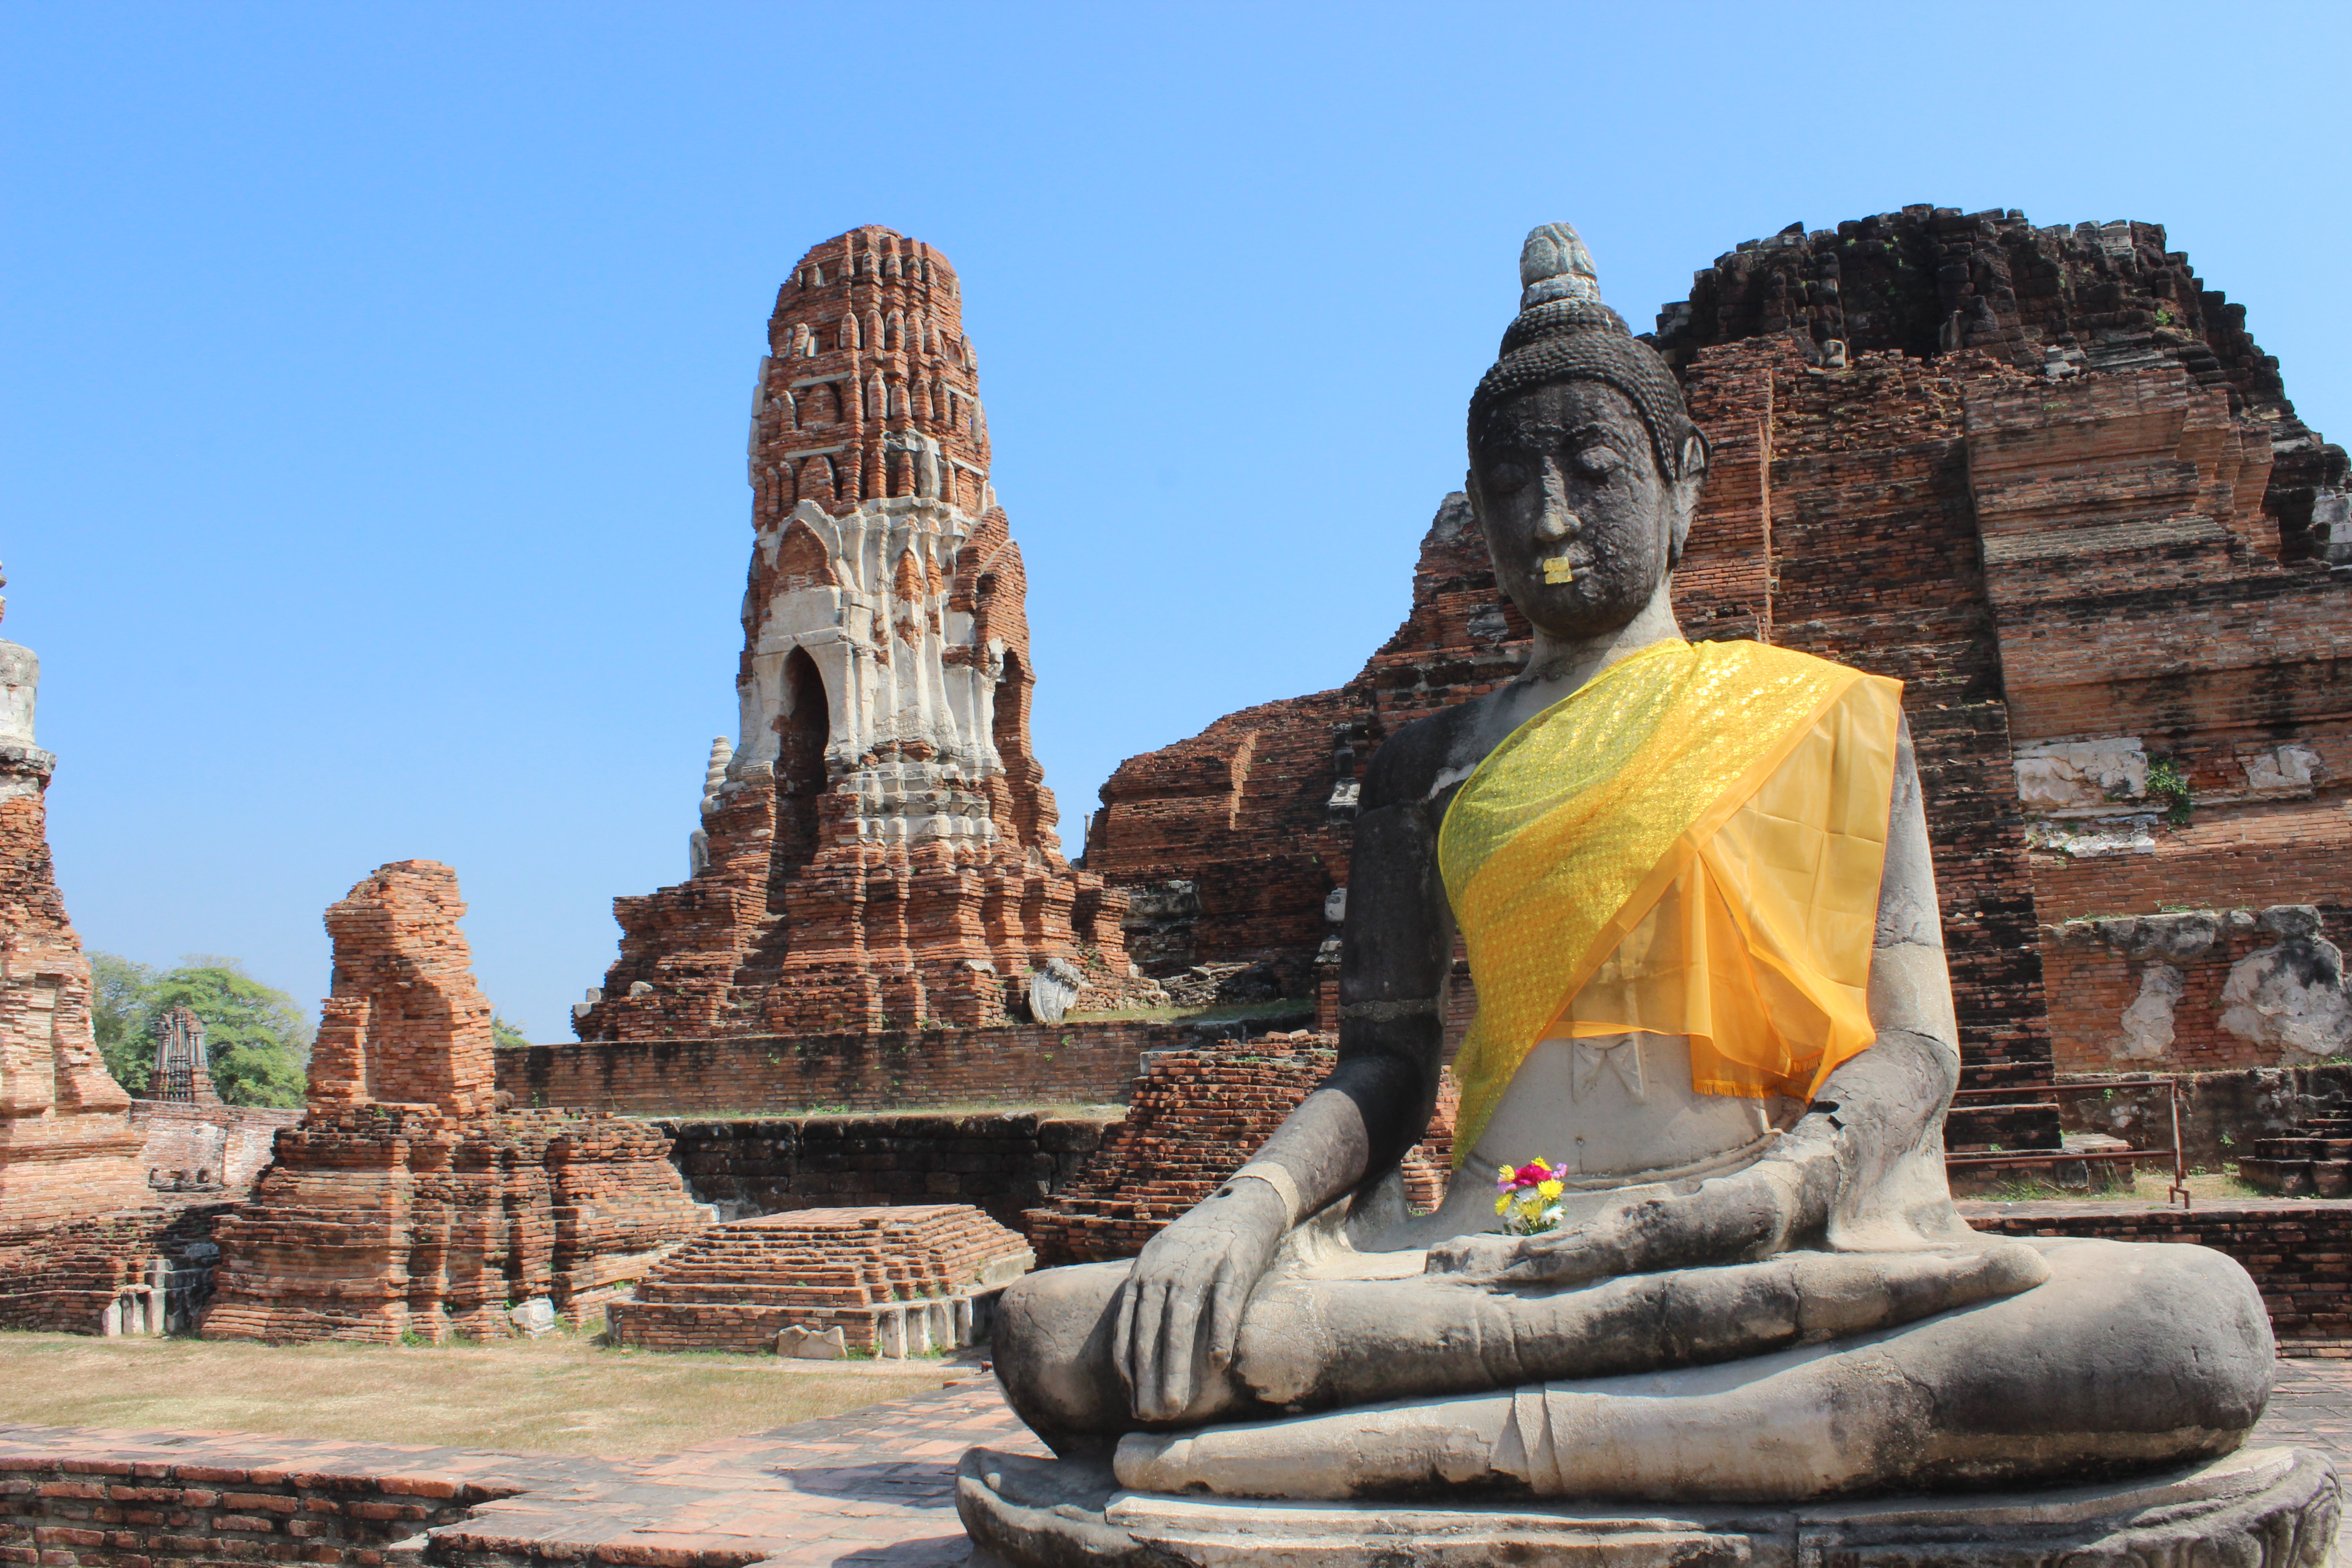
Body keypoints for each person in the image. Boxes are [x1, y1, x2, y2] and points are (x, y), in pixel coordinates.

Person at [989, 223, 2272, 1503]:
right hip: (1520, 1216)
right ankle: (1714, 1428)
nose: (1547, 515)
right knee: (1060, 1336)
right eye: (1507, 482)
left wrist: (1783, 1187)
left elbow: (1920, 1050)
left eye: (1593, 470)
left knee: (2187, 1333)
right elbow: (1384, 1070)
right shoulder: (1421, 764)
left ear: (1687, 482)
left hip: (1756, 1217)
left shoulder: (1825, 717)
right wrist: (1249, 1207)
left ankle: (1399, 1445)